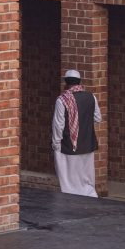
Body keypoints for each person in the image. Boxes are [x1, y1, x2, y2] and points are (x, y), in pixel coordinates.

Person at [51, 68, 102, 197]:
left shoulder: (62, 100)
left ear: (66, 83)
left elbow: (58, 126)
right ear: (79, 82)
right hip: (87, 144)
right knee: (86, 178)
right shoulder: (91, 97)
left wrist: (56, 144)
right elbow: (98, 118)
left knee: (69, 179)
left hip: (68, 146)